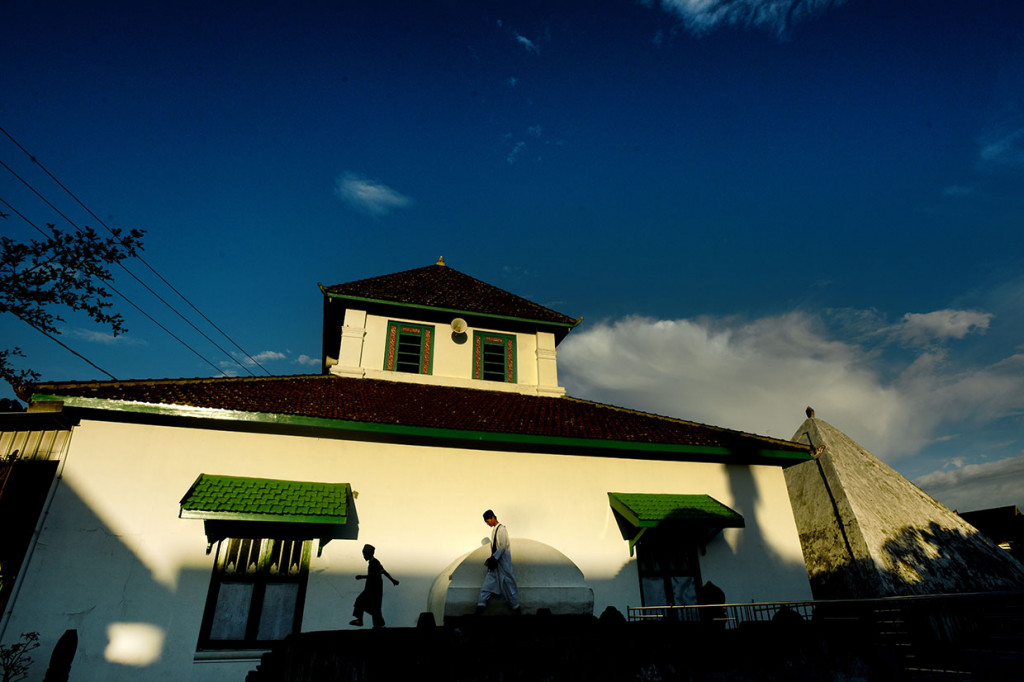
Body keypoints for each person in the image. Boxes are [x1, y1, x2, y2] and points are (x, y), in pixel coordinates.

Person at [476, 509, 521, 614]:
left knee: (510, 590)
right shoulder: (494, 531)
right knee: (486, 588)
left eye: (488, 521)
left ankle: (518, 612)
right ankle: (478, 611)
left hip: (503, 566)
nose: (487, 524)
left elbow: (502, 546)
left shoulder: (502, 530)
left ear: (492, 518)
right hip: (495, 567)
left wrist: (493, 558)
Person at [350, 544, 399, 628]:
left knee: (361, 601)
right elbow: (383, 572)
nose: (364, 556)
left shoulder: (374, 562)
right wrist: (392, 580)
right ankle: (378, 624)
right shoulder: (373, 562)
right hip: (373, 588)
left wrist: (362, 577)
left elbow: (376, 574)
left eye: (365, 554)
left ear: (369, 554)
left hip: (373, 589)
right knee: (374, 607)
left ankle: (361, 620)